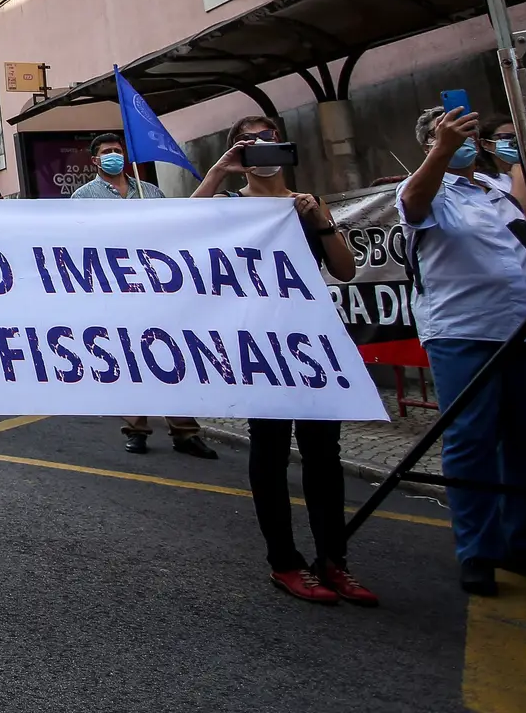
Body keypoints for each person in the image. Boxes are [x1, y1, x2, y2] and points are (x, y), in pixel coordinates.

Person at [195, 115, 374, 606]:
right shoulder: (230, 206)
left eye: (269, 139)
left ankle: (334, 561)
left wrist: (320, 220)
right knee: (270, 451)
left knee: (323, 454)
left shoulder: (305, 205)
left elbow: (344, 268)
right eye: (248, 141)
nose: (261, 147)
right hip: (259, 343)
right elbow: (182, 229)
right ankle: (285, 563)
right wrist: (219, 171)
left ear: (285, 146)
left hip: (311, 344)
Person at [398, 104, 526, 596]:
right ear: (431, 143)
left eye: (469, 133)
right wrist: (442, 152)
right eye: (450, 134)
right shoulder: (428, 187)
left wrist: (521, 152)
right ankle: (478, 551)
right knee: (471, 441)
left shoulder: (498, 188)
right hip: (465, 330)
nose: (466, 140)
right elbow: (415, 208)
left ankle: (523, 542)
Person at [73, 133, 217, 459]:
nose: (114, 156)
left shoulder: (148, 190)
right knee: (129, 355)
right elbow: (80, 238)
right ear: (95, 161)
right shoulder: (84, 195)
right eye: (107, 152)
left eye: (117, 151)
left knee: (169, 353)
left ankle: (185, 430)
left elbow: (170, 228)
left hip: (155, 284)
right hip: (116, 288)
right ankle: (136, 428)